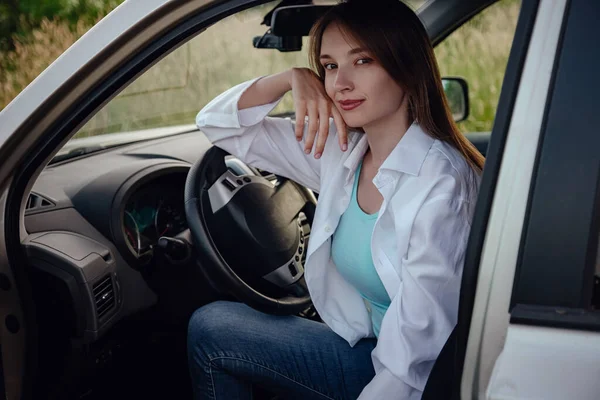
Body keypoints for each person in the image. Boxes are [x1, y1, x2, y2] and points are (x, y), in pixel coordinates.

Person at [188, 0, 483, 398]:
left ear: (406, 66)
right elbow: (217, 125)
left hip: (418, 380)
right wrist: (289, 78)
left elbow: (416, 362)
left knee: (213, 334)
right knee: (212, 326)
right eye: (329, 66)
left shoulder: (441, 184)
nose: (340, 83)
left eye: (362, 61)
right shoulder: (345, 151)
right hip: (367, 346)